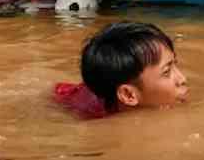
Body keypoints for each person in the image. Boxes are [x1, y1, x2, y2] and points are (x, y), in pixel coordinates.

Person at [54, 21, 188, 119]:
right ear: (129, 95)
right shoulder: (98, 124)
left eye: (175, 64)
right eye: (166, 72)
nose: (182, 79)